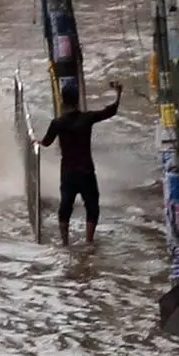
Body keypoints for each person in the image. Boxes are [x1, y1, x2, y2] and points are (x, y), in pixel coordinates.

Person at [35, 81, 122, 245]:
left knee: (66, 206)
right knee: (92, 206)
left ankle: (65, 242)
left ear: (63, 100)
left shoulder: (57, 123)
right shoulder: (87, 118)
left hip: (68, 172)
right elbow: (111, 111)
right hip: (86, 171)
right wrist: (118, 94)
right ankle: (89, 241)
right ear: (77, 100)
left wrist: (36, 141)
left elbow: (46, 142)